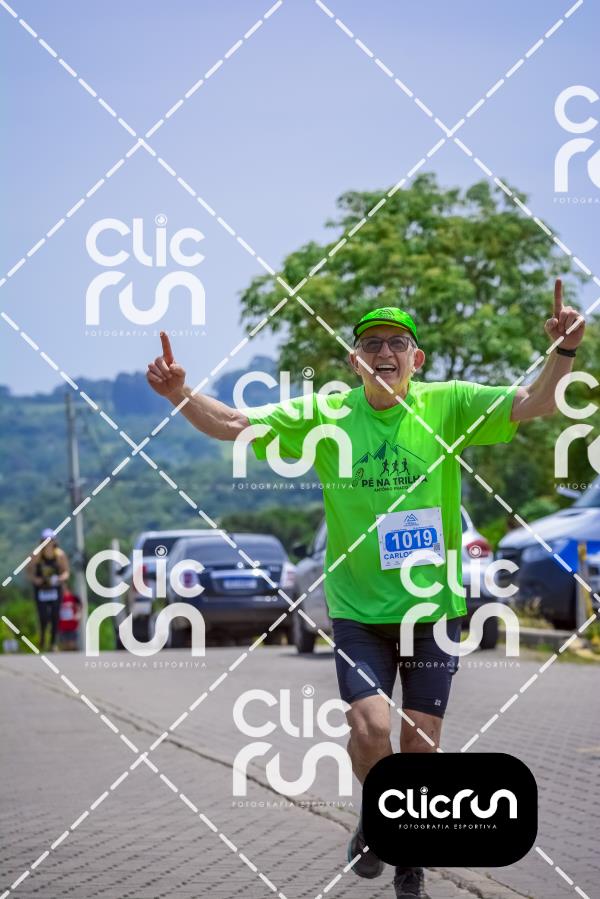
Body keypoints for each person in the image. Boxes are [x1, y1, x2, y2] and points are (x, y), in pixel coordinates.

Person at [146, 280, 584, 898]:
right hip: (358, 611)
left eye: (396, 343)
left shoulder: (449, 404)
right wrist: (180, 394)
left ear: (416, 358)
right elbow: (234, 424)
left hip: (432, 611)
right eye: (371, 344)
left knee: (420, 744)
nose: (384, 352)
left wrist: (564, 351)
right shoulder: (327, 415)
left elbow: (539, 402)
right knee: (371, 728)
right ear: (355, 361)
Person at [27, 529, 70, 652]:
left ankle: (53, 643)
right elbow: (29, 571)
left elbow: (66, 572)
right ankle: (42, 638)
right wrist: (35, 579)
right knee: (43, 616)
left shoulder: (59, 555)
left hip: (55, 589)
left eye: (50, 540)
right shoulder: (36, 555)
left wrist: (60, 578)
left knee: (55, 615)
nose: (48, 543)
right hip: (41, 589)